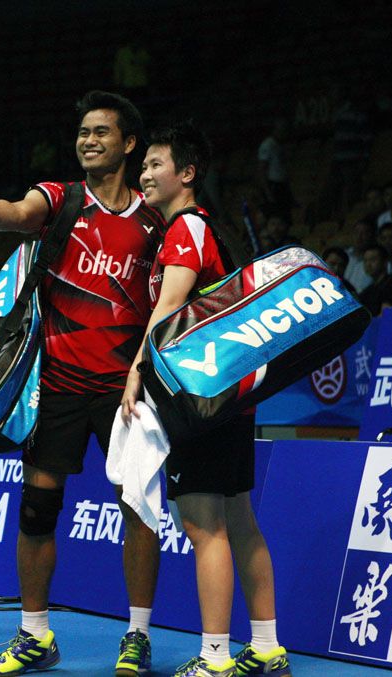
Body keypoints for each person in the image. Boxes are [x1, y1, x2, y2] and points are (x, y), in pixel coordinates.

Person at [0, 90, 166, 677]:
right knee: (38, 510)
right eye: (83, 131)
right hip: (61, 384)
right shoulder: (60, 199)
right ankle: (34, 633)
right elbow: (15, 214)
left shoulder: (155, 218)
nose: (88, 140)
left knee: (137, 509)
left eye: (101, 132)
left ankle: (138, 636)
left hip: (128, 390)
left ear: (129, 143)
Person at [122, 120, 291, 677]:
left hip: (204, 400)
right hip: (228, 397)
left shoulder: (186, 229)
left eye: (154, 165)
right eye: (142, 165)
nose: (144, 174)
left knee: (203, 525)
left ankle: (214, 658)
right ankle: (265, 646)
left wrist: (136, 371)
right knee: (238, 519)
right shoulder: (200, 227)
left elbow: (169, 311)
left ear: (187, 174)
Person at [257, 119, 294, 223]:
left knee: (284, 217)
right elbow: (262, 169)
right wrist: (267, 192)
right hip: (273, 186)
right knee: (274, 216)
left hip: (282, 186)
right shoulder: (268, 145)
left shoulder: (281, 145)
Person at [358, 245, 392, 316]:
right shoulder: (368, 291)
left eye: (373, 260)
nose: (368, 264)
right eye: (365, 261)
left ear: (385, 262)